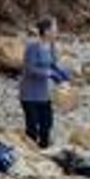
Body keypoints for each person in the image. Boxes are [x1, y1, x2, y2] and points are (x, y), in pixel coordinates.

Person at [19, 17, 68, 149]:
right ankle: (30, 153)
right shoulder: (32, 47)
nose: (57, 31)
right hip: (29, 94)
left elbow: (52, 65)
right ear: (46, 31)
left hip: (44, 94)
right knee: (32, 127)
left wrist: (61, 75)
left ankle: (43, 152)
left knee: (47, 124)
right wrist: (49, 73)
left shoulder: (51, 46)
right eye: (54, 28)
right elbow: (30, 69)